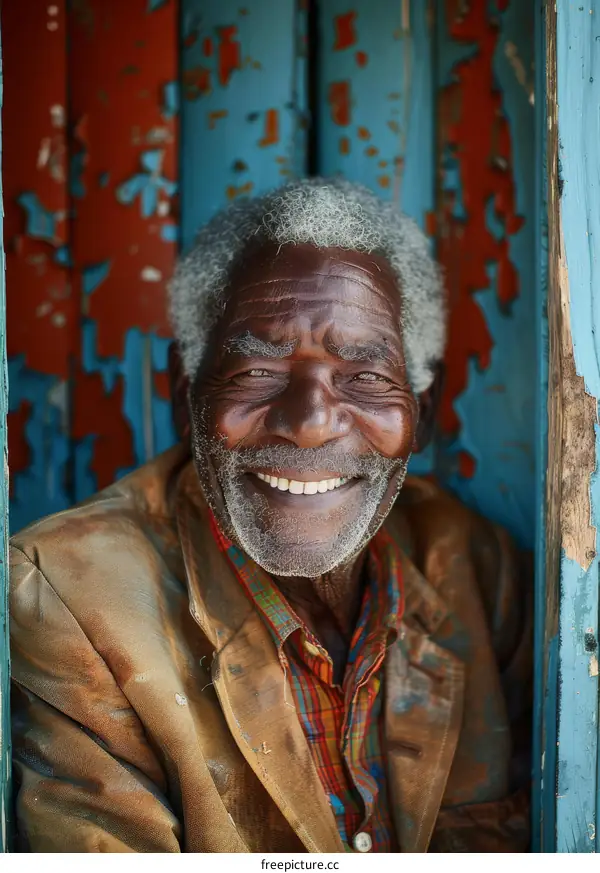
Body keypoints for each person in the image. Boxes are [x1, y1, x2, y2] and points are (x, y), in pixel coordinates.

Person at [9, 178, 531, 853]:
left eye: (366, 377)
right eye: (257, 371)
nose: (309, 423)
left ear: (421, 414)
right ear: (188, 397)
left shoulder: (477, 569)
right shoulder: (69, 599)